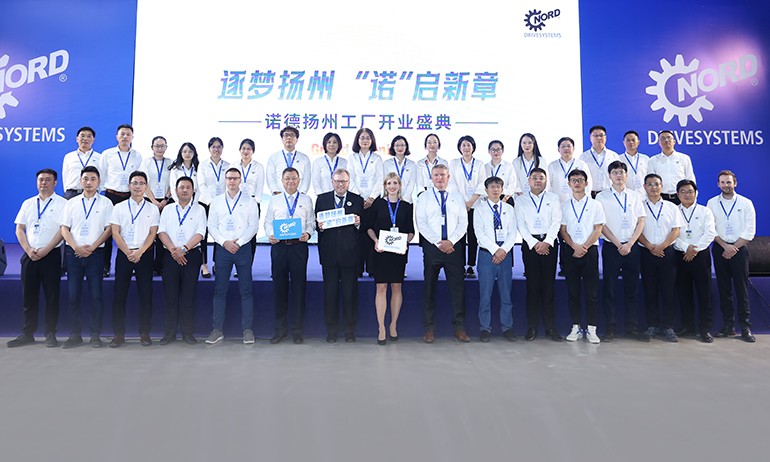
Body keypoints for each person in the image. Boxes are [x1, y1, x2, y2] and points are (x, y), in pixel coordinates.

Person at [7, 168, 66, 348]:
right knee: (29, 297)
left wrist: (46, 249)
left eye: (48, 180)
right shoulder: (28, 203)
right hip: (30, 255)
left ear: (55, 182)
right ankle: (27, 333)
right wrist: (28, 249)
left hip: (51, 255)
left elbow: (63, 230)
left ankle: (50, 333)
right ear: (36, 182)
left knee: (52, 296)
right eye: (41, 179)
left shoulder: (63, 204)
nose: (43, 183)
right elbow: (19, 229)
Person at [415, 163, 470, 343]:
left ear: (448, 177)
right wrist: (438, 242)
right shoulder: (424, 197)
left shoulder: (457, 196)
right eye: (436, 175)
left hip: (453, 248)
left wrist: (451, 241)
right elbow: (421, 223)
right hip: (433, 247)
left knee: (458, 289)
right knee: (429, 288)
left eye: (442, 175)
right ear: (431, 178)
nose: (439, 178)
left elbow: (463, 223)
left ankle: (459, 328)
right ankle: (429, 329)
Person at [60, 166, 113, 348]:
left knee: (96, 296)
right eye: (85, 179)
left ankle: (95, 335)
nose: (89, 182)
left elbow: (108, 229)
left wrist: (93, 247)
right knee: (73, 296)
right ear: (80, 181)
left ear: (99, 182)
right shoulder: (71, 203)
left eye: (92, 179)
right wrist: (76, 247)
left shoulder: (106, 203)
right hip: (73, 254)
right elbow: (64, 228)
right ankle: (75, 335)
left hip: (95, 254)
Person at [205, 167, 260, 345]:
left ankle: (247, 330)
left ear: (240, 180)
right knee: (220, 290)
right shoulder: (216, 201)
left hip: (243, 249)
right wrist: (224, 242)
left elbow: (253, 226)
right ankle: (217, 329)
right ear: (225, 180)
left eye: (235, 178)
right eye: (229, 178)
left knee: (246, 290)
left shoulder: (250, 201)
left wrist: (240, 242)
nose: (232, 181)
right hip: (223, 249)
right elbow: (211, 226)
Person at [596, 161, 646, 342]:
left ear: (627, 175)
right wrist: (618, 244)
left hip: (632, 247)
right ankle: (610, 327)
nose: (618, 175)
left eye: (621, 172)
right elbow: (601, 224)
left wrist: (630, 243)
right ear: (609, 176)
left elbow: (641, 221)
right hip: (612, 247)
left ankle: (632, 327)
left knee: (632, 289)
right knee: (609, 289)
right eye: (615, 172)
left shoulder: (635, 196)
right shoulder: (601, 197)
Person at [264, 167, 316, 344]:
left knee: (299, 288)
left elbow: (311, 222)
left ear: (299, 180)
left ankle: (297, 330)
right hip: (279, 248)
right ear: (282, 180)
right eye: (287, 178)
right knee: (279, 289)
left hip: (298, 248)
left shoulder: (306, 200)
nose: (290, 181)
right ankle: (280, 330)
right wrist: (270, 234)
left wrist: (308, 233)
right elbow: (268, 222)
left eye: (294, 178)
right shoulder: (275, 200)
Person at [109, 170, 160, 347]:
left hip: (144, 255)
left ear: (146, 186)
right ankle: (118, 334)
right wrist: (128, 252)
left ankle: (144, 333)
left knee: (146, 295)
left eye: (141, 183)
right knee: (119, 295)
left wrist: (139, 252)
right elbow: (115, 232)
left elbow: (153, 233)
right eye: (135, 183)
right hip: (124, 254)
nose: (138, 186)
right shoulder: (119, 207)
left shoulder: (153, 209)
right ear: (129, 185)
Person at [707, 170, 756, 342]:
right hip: (720, 248)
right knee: (724, 289)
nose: (726, 185)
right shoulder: (712, 203)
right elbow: (710, 229)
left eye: (729, 182)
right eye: (722, 182)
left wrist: (733, 247)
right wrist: (725, 246)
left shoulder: (746, 203)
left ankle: (745, 327)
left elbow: (750, 230)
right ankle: (729, 326)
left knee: (741, 289)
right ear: (718, 184)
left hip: (739, 249)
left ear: (735, 183)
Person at [157, 176, 207, 345]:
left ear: (193, 191)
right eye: (181, 187)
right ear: (176, 190)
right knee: (170, 297)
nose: (185, 190)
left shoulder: (200, 209)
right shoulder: (168, 209)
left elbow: (200, 233)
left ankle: (187, 333)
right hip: (170, 256)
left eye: (188, 187)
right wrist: (173, 250)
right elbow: (161, 231)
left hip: (191, 256)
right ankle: (169, 333)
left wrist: (183, 249)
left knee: (188, 297)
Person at [515, 168, 563, 341]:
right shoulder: (521, 200)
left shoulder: (553, 198)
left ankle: (550, 327)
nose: (538, 180)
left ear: (546, 181)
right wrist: (534, 243)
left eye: (541, 178)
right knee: (533, 287)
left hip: (549, 245)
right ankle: (532, 327)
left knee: (548, 287)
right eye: (534, 177)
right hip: (530, 246)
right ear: (528, 181)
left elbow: (557, 221)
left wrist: (547, 241)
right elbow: (520, 224)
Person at [315, 168, 363, 343]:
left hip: (350, 254)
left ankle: (350, 331)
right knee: (330, 294)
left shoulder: (357, 200)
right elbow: (316, 223)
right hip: (329, 254)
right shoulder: (322, 199)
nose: (340, 184)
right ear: (332, 182)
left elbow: (363, 228)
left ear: (349, 183)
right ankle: (332, 331)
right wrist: (319, 226)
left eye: (343, 181)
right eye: (337, 181)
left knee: (350, 294)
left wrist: (358, 223)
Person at [367, 172, 415, 345]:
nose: (392, 186)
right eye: (389, 183)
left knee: (396, 287)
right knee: (381, 287)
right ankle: (381, 327)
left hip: (398, 253)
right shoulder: (378, 204)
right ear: (385, 186)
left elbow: (411, 231)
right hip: (381, 252)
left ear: (400, 186)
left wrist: (405, 243)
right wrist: (375, 241)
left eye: (395, 183)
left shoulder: (407, 206)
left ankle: (393, 325)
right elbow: (369, 228)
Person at [560, 169, 605, 344]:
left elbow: (598, 229)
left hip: (589, 251)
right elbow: (563, 230)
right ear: (569, 184)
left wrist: (584, 247)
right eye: (573, 180)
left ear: (586, 183)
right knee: (573, 292)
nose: (577, 183)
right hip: (570, 251)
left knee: (591, 292)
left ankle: (592, 328)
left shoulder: (596, 205)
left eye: (580, 180)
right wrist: (574, 246)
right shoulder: (564, 205)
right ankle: (576, 327)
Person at [637, 173, 683, 342]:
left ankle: (668, 327)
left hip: (667, 253)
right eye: (650, 184)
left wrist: (662, 246)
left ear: (662, 186)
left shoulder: (672, 207)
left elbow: (676, 230)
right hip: (646, 252)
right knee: (650, 290)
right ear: (644, 187)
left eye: (656, 184)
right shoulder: (639, 206)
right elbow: (636, 230)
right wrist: (650, 247)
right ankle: (652, 325)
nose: (653, 187)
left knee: (668, 290)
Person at [473, 176, 517, 342]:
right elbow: (479, 233)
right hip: (487, 255)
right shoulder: (480, 209)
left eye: (498, 187)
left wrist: (503, 250)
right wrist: (495, 250)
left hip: (505, 255)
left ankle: (507, 327)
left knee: (506, 294)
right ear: (486, 190)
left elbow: (512, 232)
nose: (495, 189)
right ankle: (485, 328)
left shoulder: (509, 209)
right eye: (492, 187)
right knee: (485, 294)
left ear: (502, 189)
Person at [674, 179, 716, 342]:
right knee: (683, 293)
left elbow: (710, 233)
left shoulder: (705, 211)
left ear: (696, 193)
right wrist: (686, 248)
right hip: (680, 255)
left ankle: (705, 328)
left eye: (690, 191)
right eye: (683, 191)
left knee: (704, 293)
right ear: (677, 194)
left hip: (701, 256)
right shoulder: (673, 211)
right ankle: (687, 326)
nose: (687, 194)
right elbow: (670, 234)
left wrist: (694, 250)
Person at [99, 124, 144, 277]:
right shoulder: (107, 154)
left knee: (130, 231)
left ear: (132, 137)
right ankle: (105, 266)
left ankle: (132, 264)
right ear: (116, 136)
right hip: (111, 196)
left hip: (129, 196)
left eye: (128, 134)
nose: (125, 137)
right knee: (108, 232)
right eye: (122, 134)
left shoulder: (137, 155)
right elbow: (101, 175)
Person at [347, 128, 383, 277]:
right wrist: (359, 197)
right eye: (362, 138)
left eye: (368, 137)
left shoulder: (377, 158)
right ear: (357, 140)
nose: (365, 140)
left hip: (373, 201)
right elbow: (350, 178)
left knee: (372, 232)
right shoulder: (352, 158)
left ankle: (373, 268)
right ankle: (357, 268)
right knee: (357, 234)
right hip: (357, 200)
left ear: (372, 140)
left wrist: (371, 198)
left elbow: (380, 179)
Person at [449, 135, 483, 278]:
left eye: (469, 145)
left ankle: (471, 266)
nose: (466, 148)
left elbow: (482, 184)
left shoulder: (479, 164)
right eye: (463, 145)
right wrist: (463, 203)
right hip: (459, 205)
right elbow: (452, 184)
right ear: (459, 148)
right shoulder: (454, 163)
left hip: (475, 205)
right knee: (460, 236)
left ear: (473, 147)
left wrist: (470, 202)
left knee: (473, 236)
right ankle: (461, 265)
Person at [196, 137, 229, 279]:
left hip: (222, 204)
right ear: (209, 148)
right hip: (205, 203)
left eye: (219, 146)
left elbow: (229, 184)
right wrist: (210, 201)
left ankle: (217, 263)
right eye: (213, 147)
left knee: (219, 234)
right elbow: (201, 185)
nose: (216, 149)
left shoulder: (227, 165)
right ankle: (204, 265)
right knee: (203, 234)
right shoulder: (203, 165)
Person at [140, 136, 172, 277]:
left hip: (166, 201)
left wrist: (165, 199)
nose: (159, 148)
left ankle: (160, 265)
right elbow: (144, 182)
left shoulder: (170, 163)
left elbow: (173, 183)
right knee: (148, 232)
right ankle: (146, 264)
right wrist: (153, 200)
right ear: (152, 147)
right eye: (157, 146)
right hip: (149, 200)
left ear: (166, 147)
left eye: (162, 146)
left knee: (163, 233)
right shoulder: (146, 163)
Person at [647, 130, 696, 204]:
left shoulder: (684, 158)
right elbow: (651, 181)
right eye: (663, 138)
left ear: (674, 141)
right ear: (659, 143)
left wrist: (693, 197)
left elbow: (690, 178)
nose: (666, 140)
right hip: (661, 198)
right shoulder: (652, 160)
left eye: (669, 138)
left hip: (681, 197)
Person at [237, 138, 265, 263]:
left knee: (251, 234)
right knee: (237, 232)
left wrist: (255, 203)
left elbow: (260, 187)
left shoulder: (258, 167)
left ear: (253, 151)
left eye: (248, 148)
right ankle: (236, 263)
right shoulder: (234, 166)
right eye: (243, 148)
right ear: (239, 150)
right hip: (236, 204)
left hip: (252, 204)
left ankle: (248, 263)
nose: (246, 151)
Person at [266, 126, 311, 195]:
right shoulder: (273, 157)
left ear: (297, 139)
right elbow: (270, 177)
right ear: (282, 139)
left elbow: (307, 178)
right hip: (279, 195)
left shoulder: (304, 158)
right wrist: (276, 192)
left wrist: (301, 193)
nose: (289, 137)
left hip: (299, 196)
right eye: (286, 135)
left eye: (292, 135)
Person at [547, 136, 592, 202]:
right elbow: (548, 185)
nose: (566, 148)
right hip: (557, 202)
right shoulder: (552, 166)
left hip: (577, 202)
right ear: (558, 149)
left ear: (573, 148)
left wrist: (586, 199)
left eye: (568, 146)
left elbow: (588, 184)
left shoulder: (581, 164)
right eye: (563, 146)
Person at [579, 125, 619, 198]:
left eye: (601, 135)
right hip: (590, 195)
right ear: (590, 138)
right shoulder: (583, 157)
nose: (599, 138)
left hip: (610, 195)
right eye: (595, 136)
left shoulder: (613, 156)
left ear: (605, 137)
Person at [62, 126, 101, 199]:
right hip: (72, 194)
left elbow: (101, 177)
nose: (85, 139)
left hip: (91, 194)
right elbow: (65, 177)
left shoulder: (99, 157)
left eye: (88, 136)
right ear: (77, 139)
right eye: (82, 136)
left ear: (93, 140)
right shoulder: (69, 156)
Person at [477, 140, 517, 204]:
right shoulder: (484, 167)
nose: (496, 152)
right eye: (493, 149)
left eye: (498, 149)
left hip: (505, 198)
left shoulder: (509, 166)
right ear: (489, 151)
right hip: (489, 199)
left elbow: (512, 185)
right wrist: (487, 198)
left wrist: (505, 199)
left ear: (502, 151)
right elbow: (481, 184)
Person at [383, 135, 417, 202]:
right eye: (397, 145)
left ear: (406, 147)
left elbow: (411, 183)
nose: (400, 148)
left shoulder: (412, 164)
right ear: (393, 147)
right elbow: (385, 182)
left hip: (407, 201)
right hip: (390, 200)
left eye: (402, 145)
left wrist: (404, 199)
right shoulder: (387, 164)